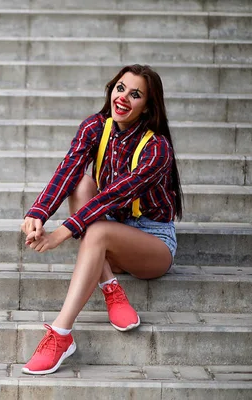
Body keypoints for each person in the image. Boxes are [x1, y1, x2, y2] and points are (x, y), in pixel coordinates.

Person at [20, 64, 183, 375]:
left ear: (147, 106)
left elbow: (113, 196)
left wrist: (60, 234)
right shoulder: (94, 127)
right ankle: (110, 286)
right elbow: (67, 171)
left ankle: (60, 335)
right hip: (109, 230)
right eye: (120, 88)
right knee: (81, 184)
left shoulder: (157, 148)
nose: (123, 98)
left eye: (135, 94)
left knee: (98, 232)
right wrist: (38, 213)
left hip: (152, 243)